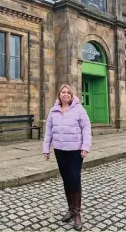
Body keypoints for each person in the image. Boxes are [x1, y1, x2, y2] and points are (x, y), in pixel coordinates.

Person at [43, 84, 92, 231]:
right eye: (63, 92)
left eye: (68, 92)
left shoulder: (79, 109)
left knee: (74, 179)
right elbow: (49, 131)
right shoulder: (53, 111)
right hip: (60, 150)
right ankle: (70, 210)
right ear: (59, 95)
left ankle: (77, 214)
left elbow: (86, 128)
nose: (65, 94)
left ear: (71, 95)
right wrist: (46, 149)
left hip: (75, 151)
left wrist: (85, 147)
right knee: (66, 179)